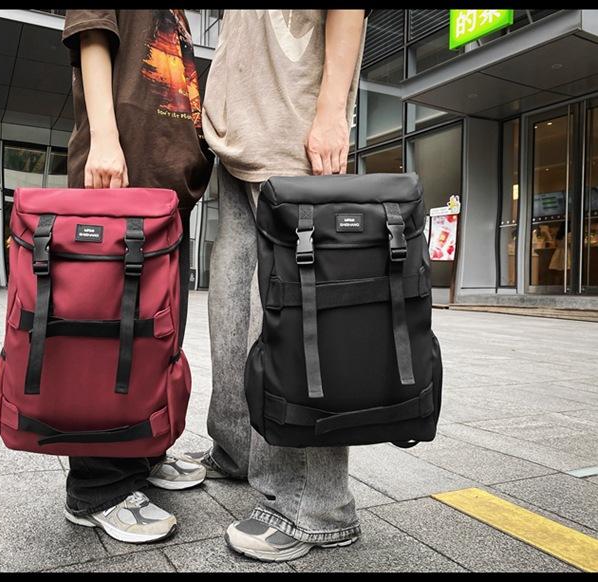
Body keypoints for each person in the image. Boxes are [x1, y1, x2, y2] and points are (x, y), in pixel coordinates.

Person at [181, 9, 369, 562]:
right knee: (233, 319)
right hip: (237, 144)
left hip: (292, 136)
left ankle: (318, 506)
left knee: (293, 327)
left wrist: (331, 113)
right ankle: (236, 450)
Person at [61, 9, 214, 544]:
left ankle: (142, 456)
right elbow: (91, 30)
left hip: (166, 195)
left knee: (155, 338)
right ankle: (97, 489)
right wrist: (104, 139)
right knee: (107, 341)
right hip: (122, 179)